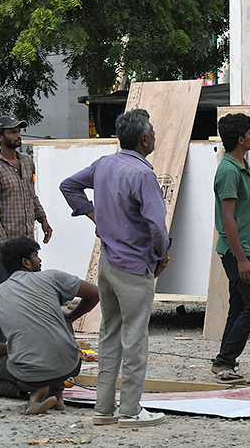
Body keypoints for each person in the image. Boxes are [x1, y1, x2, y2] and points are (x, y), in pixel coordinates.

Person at [59, 108, 170, 428]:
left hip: (107, 263)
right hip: (135, 266)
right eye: (152, 131)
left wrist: (94, 215)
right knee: (135, 339)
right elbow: (157, 228)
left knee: (109, 335)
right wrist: (161, 255)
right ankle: (131, 410)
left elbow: (69, 186)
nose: (154, 135)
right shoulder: (144, 175)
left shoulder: (104, 164)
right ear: (145, 139)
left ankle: (104, 408)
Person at [0, 236, 99, 415]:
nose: (40, 260)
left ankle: (35, 393)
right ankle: (56, 394)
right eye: (36, 255)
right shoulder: (52, 277)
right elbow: (95, 294)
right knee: (55, 347)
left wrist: (13, 348)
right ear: (26, 262)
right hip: (70, 364)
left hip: (29, 370)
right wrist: (71, 317)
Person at [210, 113, 250, 382]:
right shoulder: (229, 171)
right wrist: (243, 259)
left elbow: (242, 217)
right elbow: (227, 218)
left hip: (244, 248)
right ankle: (224, 361)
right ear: (241, 139)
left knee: (239, 305)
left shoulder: (241, 164)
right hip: (236, 252)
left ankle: (224, 362)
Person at [0, 116, 53, 291]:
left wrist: (43, 219)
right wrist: (4, 243)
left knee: (28, 291)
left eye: (19, 131)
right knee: (2, 292)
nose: (18, 136)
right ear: (0, 137)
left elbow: (31, 195)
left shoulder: (27, 162)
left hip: (26, 241)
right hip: (4, 245)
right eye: (12, 132)